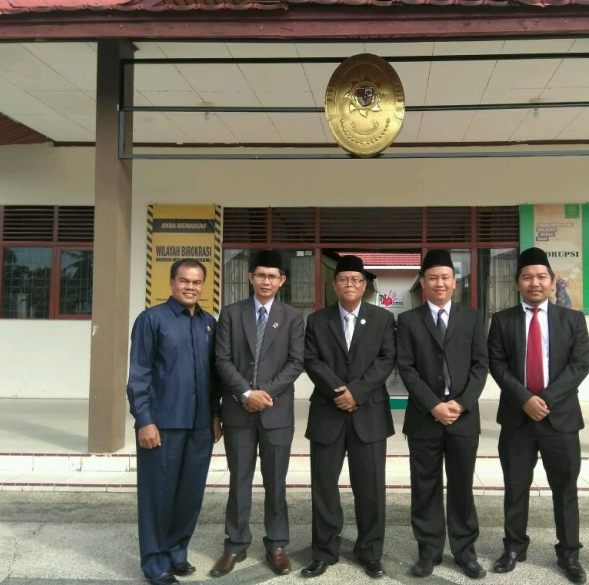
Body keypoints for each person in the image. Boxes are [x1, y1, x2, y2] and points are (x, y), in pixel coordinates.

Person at [487, 247, 589, 584]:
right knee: (516, 486)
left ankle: (569, 553)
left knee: (565, 489)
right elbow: (497, 365)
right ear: (518, 282)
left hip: (560, 419)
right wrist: (524, 400)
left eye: (541, 276)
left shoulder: (572, 319)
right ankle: (514, 547)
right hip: (517, 419)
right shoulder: (502, 320)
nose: (535, 283)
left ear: (552, 281)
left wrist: (543, 399)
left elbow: (580, 366)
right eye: (527, 277)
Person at [209, 250, 305, 578]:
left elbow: (296, 362)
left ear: (282, 280)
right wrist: (246, 393)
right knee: (239, 480)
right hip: (238, 412)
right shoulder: (231, 314)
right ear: (251, 278)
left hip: (276, 414)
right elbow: (222, 360)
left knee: (275, 482)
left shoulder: (292, 317)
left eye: (272, 276)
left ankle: (277, 544)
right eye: (260, 275)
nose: (266, 281)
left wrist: (265, 395)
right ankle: (235, 544)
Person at [301, 254, 396, 579]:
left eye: (356, 280)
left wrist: (357, 392)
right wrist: (339, 392)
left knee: (371, 488)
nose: (350, 284)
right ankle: (324, 551)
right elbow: (312, 360)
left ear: (364, 285)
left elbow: (386, 359)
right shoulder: (317, 320)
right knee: (324, 487)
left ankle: (370, 552)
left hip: (369, 414)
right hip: (327, 413)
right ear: (334, 285)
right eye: (344, 279)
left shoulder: (383, 319)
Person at [396, 249, 488, 580]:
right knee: (425, 486)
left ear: (455, 281)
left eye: (445, 277)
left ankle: (465, 550)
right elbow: (406, 368)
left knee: (462, 485)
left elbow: (481, 366)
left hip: (463, 417)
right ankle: (429, 549)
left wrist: (461, 403)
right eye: (433, 277)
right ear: (422, 282)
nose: (439, 283)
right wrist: (433, 405)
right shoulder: (408, 321)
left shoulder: (473, 318)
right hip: (424, 417)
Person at [126, 258, 220, 585]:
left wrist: (215, 415)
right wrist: (144, 420)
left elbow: (214, 376)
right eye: (184, 281)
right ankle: (155, 563)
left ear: (203, 285)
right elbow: (139, 374)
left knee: (189, 495)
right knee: (158, 496)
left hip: (200, 425)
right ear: (171, 282)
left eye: (196, 282)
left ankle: (177, 551)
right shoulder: (152, 320)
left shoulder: (209, 323)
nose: (190, 287)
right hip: (162, 424)